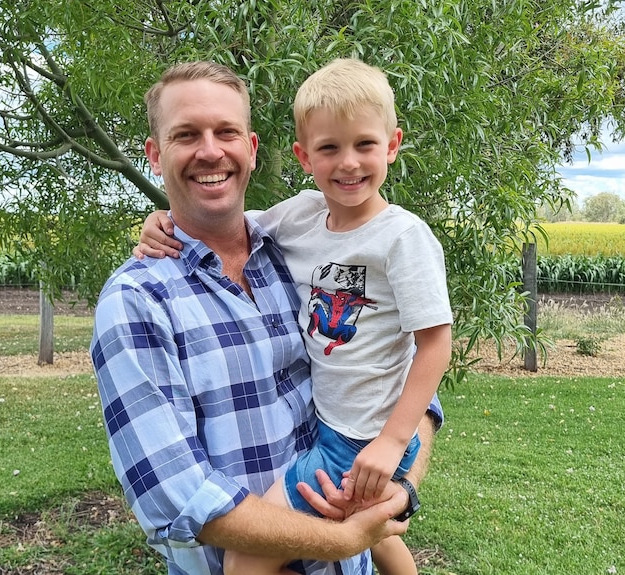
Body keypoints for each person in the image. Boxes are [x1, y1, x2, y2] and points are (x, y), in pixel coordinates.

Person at [91, 60, 440, 575]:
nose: (210, 150)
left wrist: (399, 483)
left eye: (226, 132)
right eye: (186, 135)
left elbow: (405, 370)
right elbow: (178, 496)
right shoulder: (137, 301)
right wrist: (341, 538)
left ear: (251, 149)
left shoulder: (293, 247)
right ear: (155, 154)